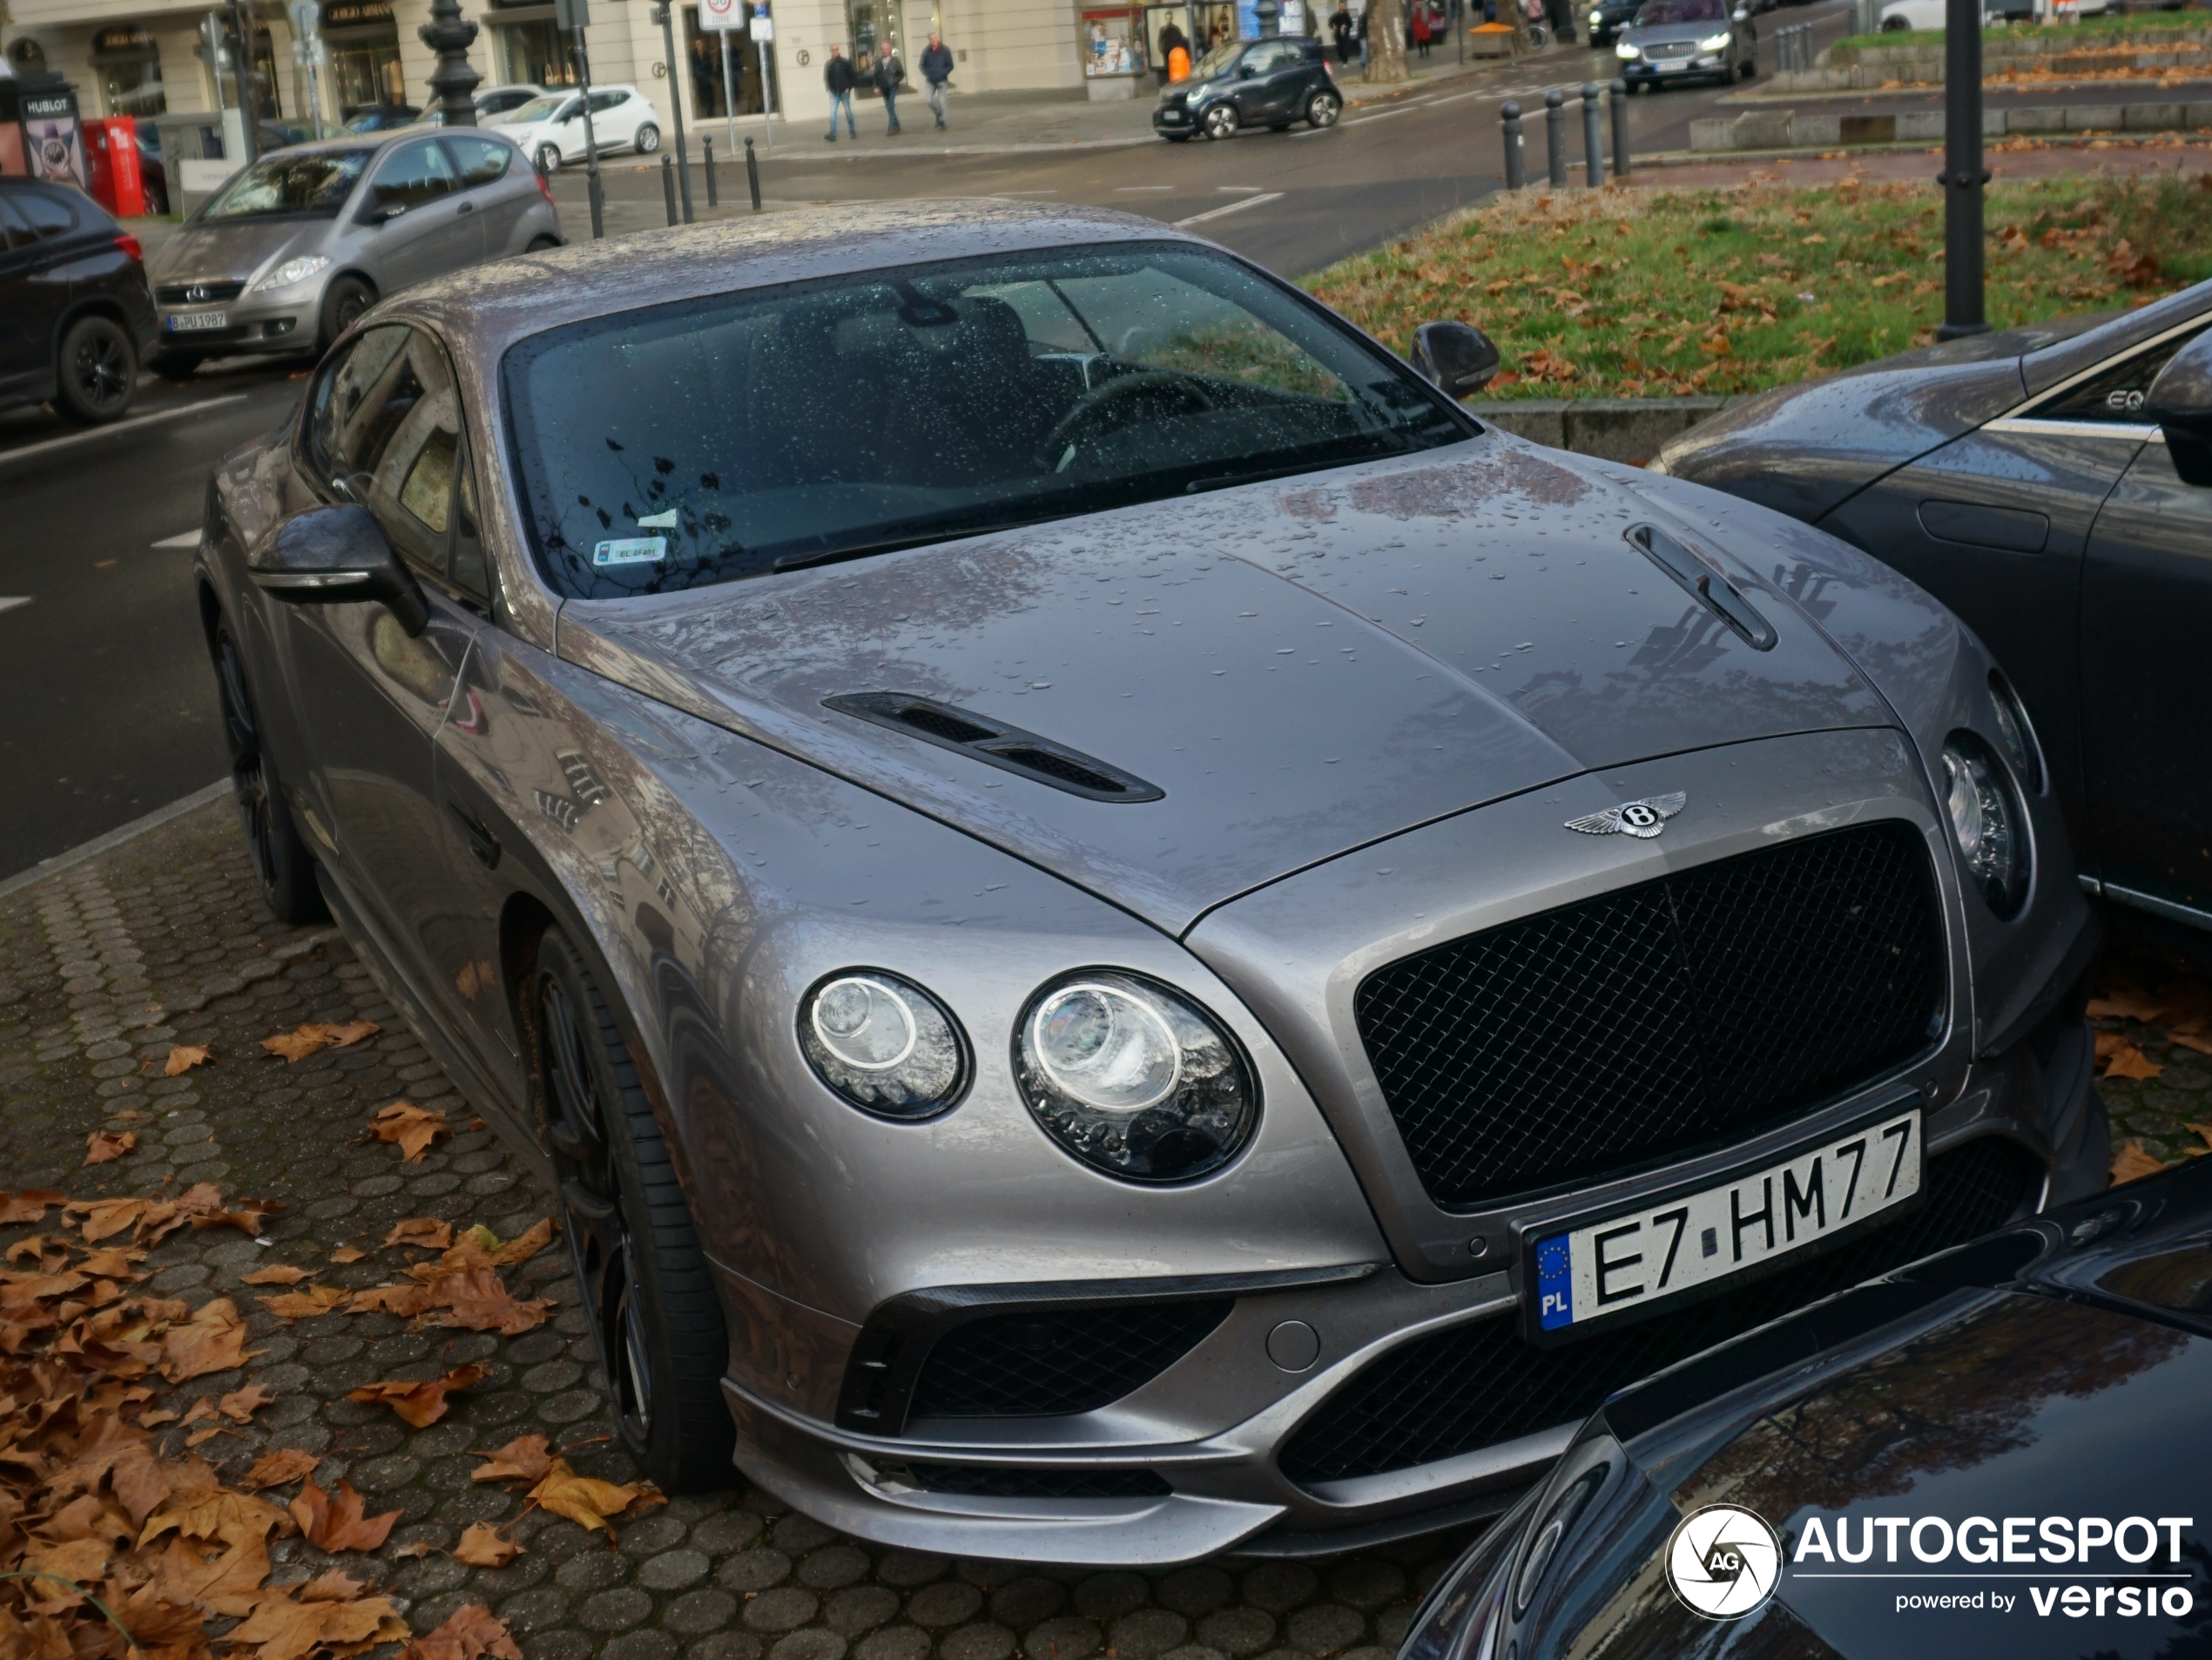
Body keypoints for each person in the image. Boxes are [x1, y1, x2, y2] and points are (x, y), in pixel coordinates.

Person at [823, 44, 857, 140]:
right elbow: (826, 77)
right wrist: (828, 88)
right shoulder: (829, 64)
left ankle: (852, 131)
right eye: (833, 50)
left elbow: (852, 77)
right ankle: (832, 133)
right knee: (833, 113)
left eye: (836, 49)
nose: (835, 51)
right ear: (831, 51)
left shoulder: (845, 62)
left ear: (839, 50)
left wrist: (848, 88)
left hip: (844, 92)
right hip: (834, 93)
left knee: (848, 112)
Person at [921, 31, 954, 127]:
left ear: (938, 39)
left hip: (942, 80)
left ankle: (942, 121)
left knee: (942, 101)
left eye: (935, 38)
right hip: (930, 81)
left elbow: (950, 65)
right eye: (931, 39)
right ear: (929, 40)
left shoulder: (945, 50)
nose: (933, 40)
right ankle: (939, 114)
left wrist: (943, 72)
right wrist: (927, 73)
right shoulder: (926, 51)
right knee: (929, 101)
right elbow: (922, 65)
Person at [875, 43, 903, 134]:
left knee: (891, 106)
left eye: (887, 48)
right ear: (881, 50)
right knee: (889, 108)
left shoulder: (895, 61)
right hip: (883, 88)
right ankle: (897, 126)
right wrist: (876, 86)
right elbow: (876, 75)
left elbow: (901, 73)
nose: (885, 50)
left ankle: (890, 128)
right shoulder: (878, 61)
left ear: (890, 49)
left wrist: (895, 81)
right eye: (883, 49)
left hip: (892, 87)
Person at [1155, 17, 1185, 86]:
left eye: (1170, 18)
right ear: (1165, 19)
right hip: (1167, 50)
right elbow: (1160, 40)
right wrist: (1161, 49)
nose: (1169, 20)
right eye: (1167, 18)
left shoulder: (1176, 28)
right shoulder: (1163, 29)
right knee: (1168, 66)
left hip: (1175, 50)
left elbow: (1180, 37)